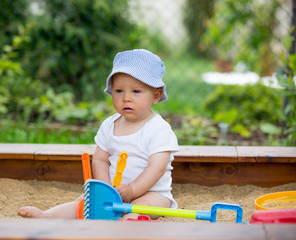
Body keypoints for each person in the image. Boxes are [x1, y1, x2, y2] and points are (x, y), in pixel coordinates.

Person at [17, 49, 179, 220]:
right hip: (115, 192)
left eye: (136, 91)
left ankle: (131, 220)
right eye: (119, 91)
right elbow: (101, 159)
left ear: (156, 95)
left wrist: (132, 190)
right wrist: (106, 189)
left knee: (141, 207)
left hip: (151, 194)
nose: (126, 98)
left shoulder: (159, 129)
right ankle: (47, 216)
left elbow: (156, 168)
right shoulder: (110, 125)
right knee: (83, 203)